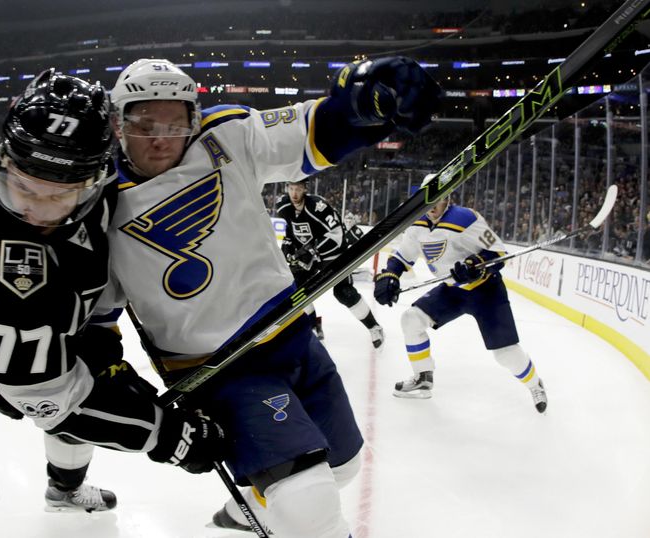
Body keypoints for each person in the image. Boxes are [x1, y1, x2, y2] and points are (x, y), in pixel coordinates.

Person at [90, 57, 440, 537]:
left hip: (293, 337)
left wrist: (365, 107)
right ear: (118, 123)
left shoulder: (225, 134)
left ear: (194, 118)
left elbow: (313, 132)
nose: (161, 139)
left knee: (343, 466)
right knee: (307, 503)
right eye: (144, 125)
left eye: (176, 124)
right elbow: (97, 319)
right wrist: (117, 384)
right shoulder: (97, 206)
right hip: (219, 369)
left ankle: (243, 513)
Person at [0, 70, 224, 538]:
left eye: (58, 194)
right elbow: (52, 399)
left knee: (95, 395)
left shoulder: (40, 159)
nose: (35, 210)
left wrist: (99, 353)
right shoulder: (5, 266)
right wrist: (168, 436)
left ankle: (64, 488)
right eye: (24, 187)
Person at [372, 177, 548, 413]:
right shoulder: (417, 223)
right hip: (452, 290)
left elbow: (498, 253)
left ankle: (535, 384)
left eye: (437, 199)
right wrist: (390, 275)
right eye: (428, 199)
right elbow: (403, 255)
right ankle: (423, 377)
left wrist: (475, 265)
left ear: (447, 198)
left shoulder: (465, 218)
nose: (432, 205)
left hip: (486, 291)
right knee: (411, 319)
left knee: (505, 354)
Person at [275, 179, 384, 347]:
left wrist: (313, 251)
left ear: (305, 189)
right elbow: (291, 231)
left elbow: (337, 235)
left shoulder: (318, 206)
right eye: (291, 188)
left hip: (332, 252)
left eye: (298, 189)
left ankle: (374, 327)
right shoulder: (284, 206)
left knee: (343, 292)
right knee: (296, 290)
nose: (294, 193)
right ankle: (313, 325)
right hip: (310, 254)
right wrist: (288, 246)